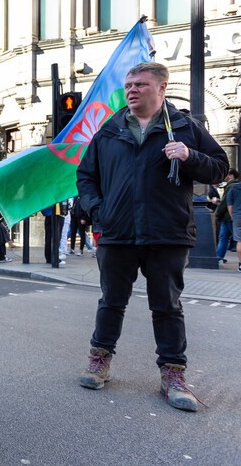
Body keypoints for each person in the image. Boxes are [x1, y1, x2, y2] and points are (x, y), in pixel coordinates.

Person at [76, 62, 228, 412]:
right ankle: (99, 361)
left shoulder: (185, 128)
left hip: (167, 234)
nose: (132, 90)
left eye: (141, 84)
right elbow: (86, 176)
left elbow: (220, 167)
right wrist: (99, 210)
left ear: (161, 88)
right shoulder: (110, 130)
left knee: (167, 307)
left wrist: (190, 156)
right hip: (117, 233)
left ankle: (173, 375)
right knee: (111, 302)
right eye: (129, 84)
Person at [214, 169, 239, 267]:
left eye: (227, 175)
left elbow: (226, 203)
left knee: (225, 238)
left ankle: (219, 257)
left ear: (231, 176)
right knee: (225, 237)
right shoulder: (235, 185)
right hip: (229, 217)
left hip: (229, 216)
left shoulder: (231, 186)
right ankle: (219, 257)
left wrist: (217, 214)